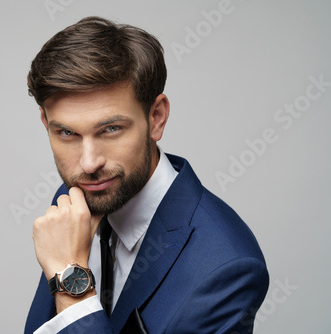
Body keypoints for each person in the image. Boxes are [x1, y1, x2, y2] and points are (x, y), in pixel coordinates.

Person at [24, 16, 269, 334]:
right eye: (67, 133)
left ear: (156, 117)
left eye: (111, 129)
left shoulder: (226, 268)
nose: (88, 163)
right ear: (45, 123)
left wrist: (72, 283)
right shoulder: (77, 199)